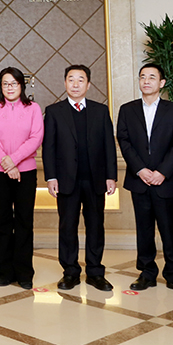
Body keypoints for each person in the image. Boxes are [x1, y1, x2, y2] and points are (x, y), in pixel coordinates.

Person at [116, 63, 173, 296]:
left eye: (151, 77)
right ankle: (147, 273)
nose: (146, 81)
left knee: (169, 231)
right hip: (139, 180)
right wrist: (140, 169)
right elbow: (124, 141)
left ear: (162, 82)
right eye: (142, 77)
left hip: (166, 181)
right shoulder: (127, 110)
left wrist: (162, 172)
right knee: (144, 230)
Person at [43, 64, 118, 292]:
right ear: (65, 83)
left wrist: (111, 176)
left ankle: (95, 272)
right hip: (66, 180)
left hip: (95, 179)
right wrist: (51, 177)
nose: (75, 84)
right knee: (68, 227)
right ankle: (70, 272)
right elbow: (49, 147)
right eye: (71, 79)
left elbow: (109, 145)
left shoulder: (100, 111)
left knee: (96, 226)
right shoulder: (54, 111)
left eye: (80, 80)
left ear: (88, 84)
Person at [0, 67, 44, 289]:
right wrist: (7, 164)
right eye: (5, 83)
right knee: (3, 223)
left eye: (14, 83)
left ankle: (24, 273)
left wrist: (13, 161)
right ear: (0, 87)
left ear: (22, 85)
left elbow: (36, 138)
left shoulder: (33, 108)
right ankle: (5, 272)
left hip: (25, 173)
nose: (10, 87)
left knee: (24, 222)